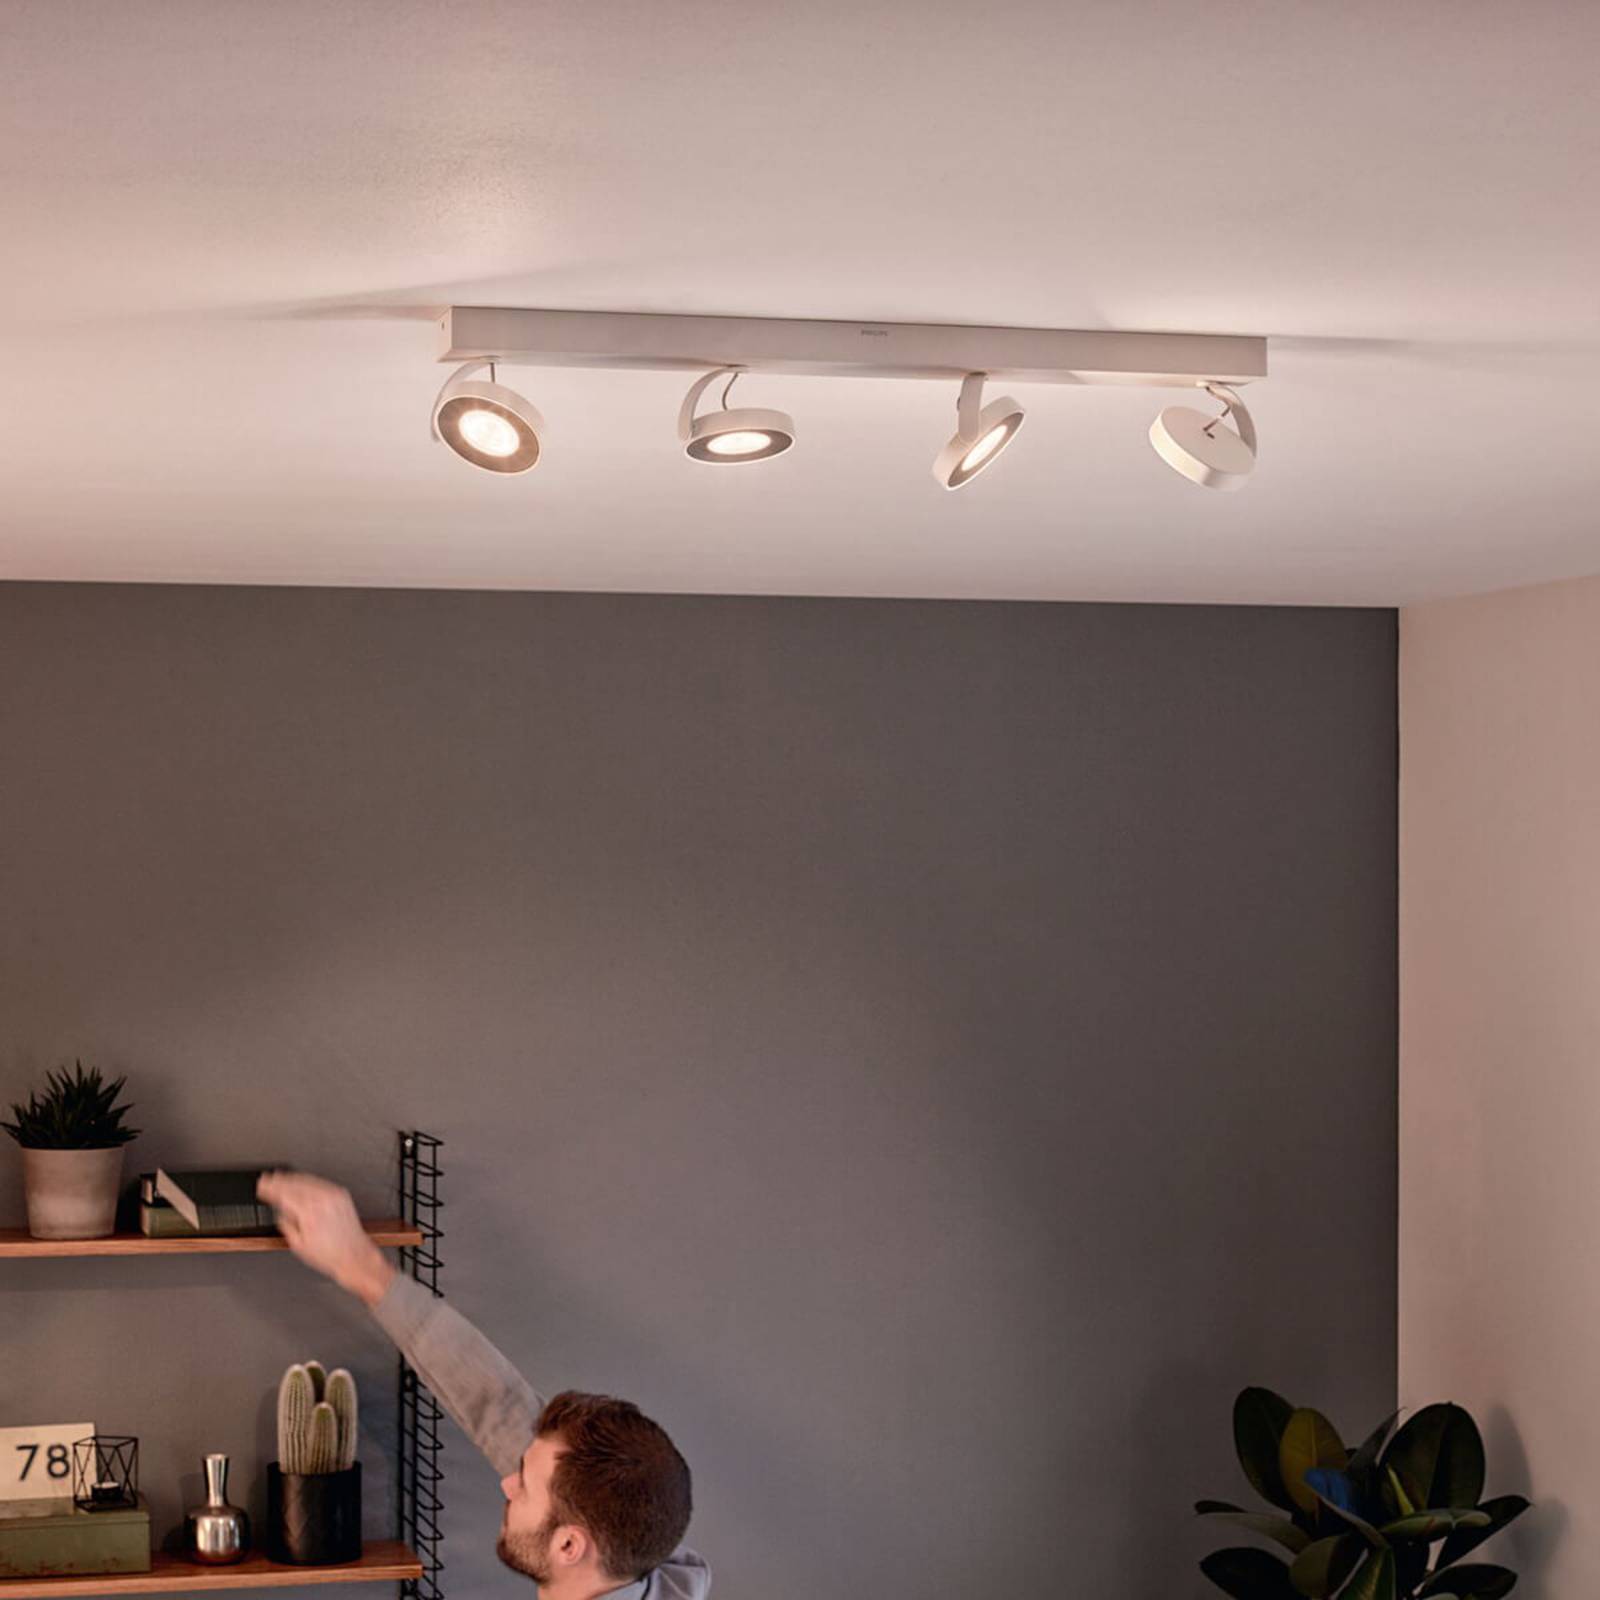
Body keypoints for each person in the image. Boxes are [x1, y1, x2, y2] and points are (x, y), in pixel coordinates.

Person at [257, 1172, 711, 1600]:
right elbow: (496, 1400)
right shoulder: (630, 1547)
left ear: (569, 1546)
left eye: (524, 1487)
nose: (508, 1482)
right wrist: (360, 1266)